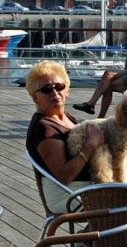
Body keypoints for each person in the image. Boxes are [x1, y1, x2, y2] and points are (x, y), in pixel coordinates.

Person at [26, 60, 104, 213]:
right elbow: (64, 176)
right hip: (67, 194)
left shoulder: (65, 117)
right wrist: (91, 145)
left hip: (85, 187)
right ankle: (106, 235)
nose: (55, 93)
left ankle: (102, 234)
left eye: (59, 87)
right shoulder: (44, 128)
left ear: (67, 90)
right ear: (35, 98)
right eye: (47, 89)